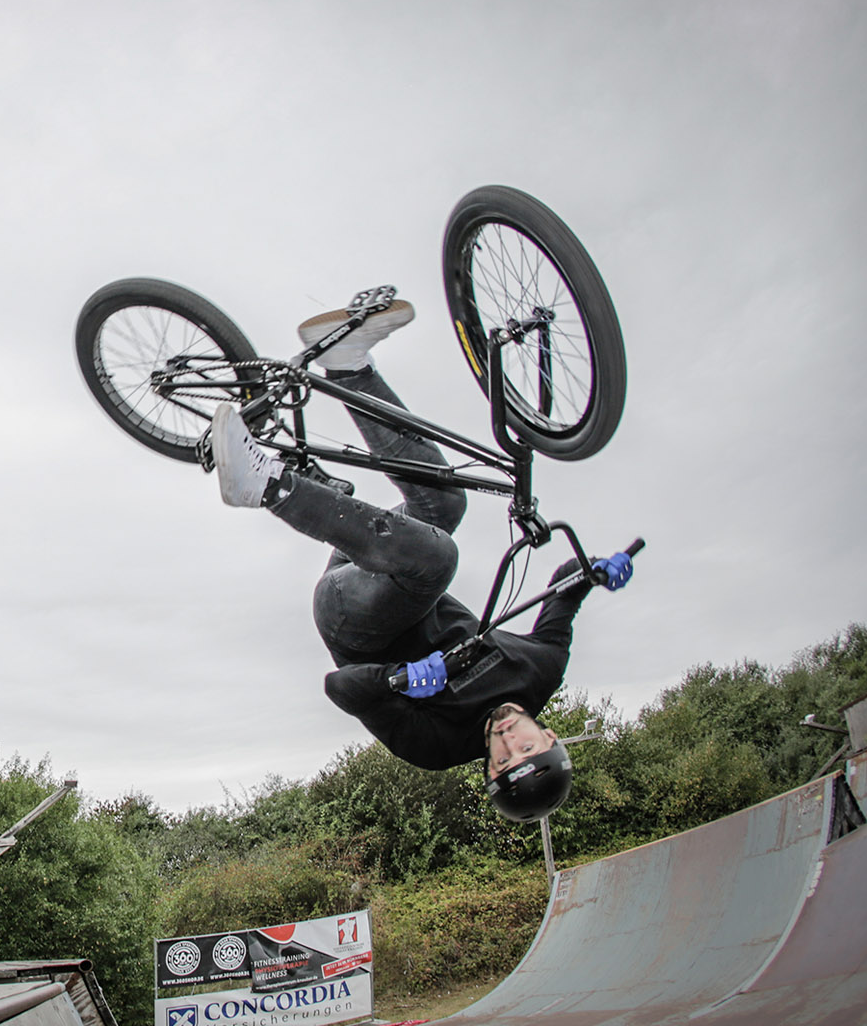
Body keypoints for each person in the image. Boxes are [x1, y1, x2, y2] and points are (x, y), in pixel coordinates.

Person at [205, 298, 633, 821]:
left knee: (437, 559)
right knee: (446, 504)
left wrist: (398, 680)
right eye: (525, 747)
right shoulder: (543, 670)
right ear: (547, 734)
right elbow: (564, 593)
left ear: (488, 771)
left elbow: (340, 687)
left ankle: (267, 486)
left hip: (353, 619)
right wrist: (593, 572)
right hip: (390, 563)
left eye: (502, 761)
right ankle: (349, 366)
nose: (506, 741)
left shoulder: (438, 746)